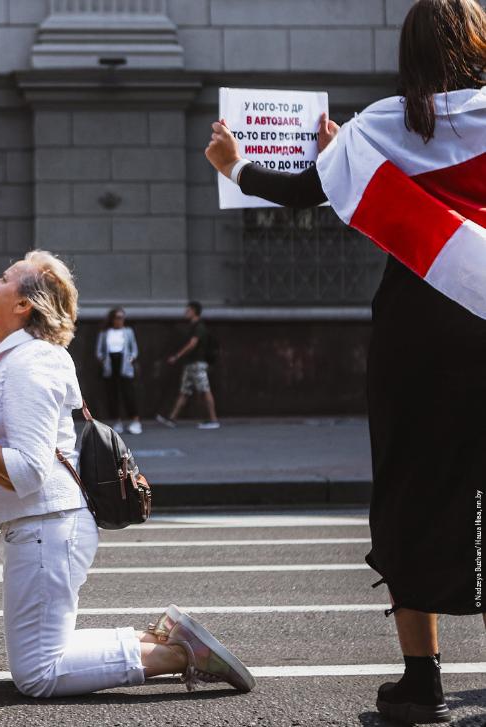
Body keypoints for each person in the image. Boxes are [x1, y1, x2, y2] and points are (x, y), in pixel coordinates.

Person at [204, 1, 486, 721]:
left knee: (407, 483)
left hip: (416, 331)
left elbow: (304, 192)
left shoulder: (381, 124)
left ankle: (420, 681)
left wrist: (236, 165)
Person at [0, 250, 253, 699]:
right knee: (43, 657)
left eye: (5, 278)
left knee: (38, 674)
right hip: (40, 527)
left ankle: (180, 655)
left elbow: (28, 471)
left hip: (46, 527)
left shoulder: (31, 363)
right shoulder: (16, 361)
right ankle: (157, 641)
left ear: (23, 305)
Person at [156, 301, 219, 430]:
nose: (185, 313)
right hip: (191, 364)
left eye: (188, 310)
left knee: (205, 390)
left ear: (194, 311)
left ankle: (214, 420)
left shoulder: (199, 327)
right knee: (184, 391)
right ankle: (172, 419)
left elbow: (192, 344)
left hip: (197, 363)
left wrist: (176, 356)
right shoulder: (194, 326)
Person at [95, 307, 141, 434]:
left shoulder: (128, 331)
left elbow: (134, 349)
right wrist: (103, 361)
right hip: (110, 364)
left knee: (129, 393)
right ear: (112, 319)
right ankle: (117, 421)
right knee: (113, 394)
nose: (120, 320)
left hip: (124, 364)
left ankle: (135, 421)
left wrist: (131, 359)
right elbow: (99, 350)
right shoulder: (105, 333)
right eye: (118, 317)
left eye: (122, 317)